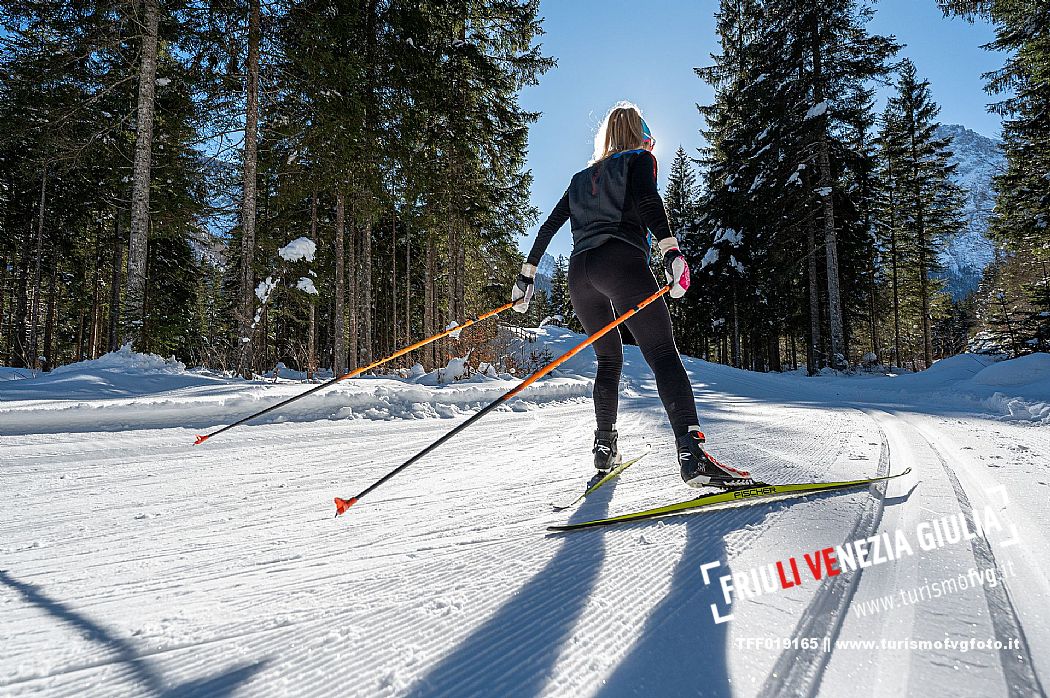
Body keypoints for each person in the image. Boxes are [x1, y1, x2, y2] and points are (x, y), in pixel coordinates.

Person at [510, 102, 752, 489]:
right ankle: (692, 454)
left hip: (580, 274)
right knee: (661, 354)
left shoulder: (579, 178)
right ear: (641, 135)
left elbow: (549, 225)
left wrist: (526, 276)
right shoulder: (639, 160)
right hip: (620, 263)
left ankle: (605, 448)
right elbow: (647, 202)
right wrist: (671, 250)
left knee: (608, 359)